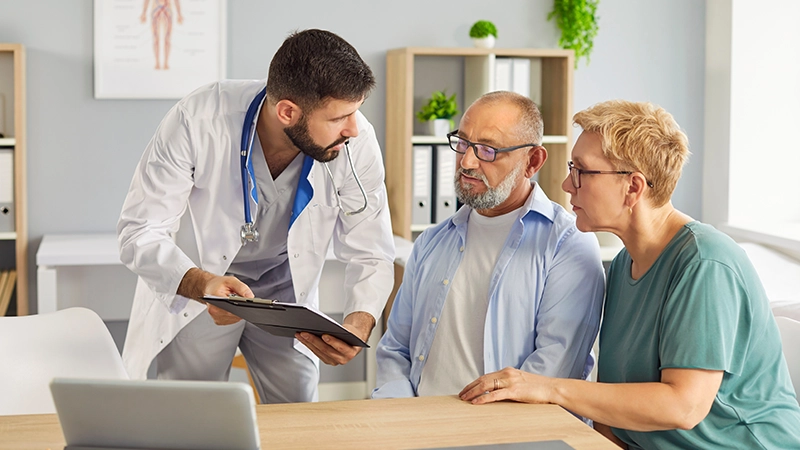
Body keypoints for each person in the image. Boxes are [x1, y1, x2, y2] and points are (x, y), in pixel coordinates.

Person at [460, 100, 800, 448]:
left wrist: (548, 388)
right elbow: (614, 410)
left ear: (633, 187)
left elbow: (684, 406)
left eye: (581, 171)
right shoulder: (624, 264)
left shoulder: (704, 263)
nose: (566, 184)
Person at [118, 29, 395, 404]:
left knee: (297, 412)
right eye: (340, 117)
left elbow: (372, 248)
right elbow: (139, 231)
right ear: (287, 112)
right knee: (189, 411)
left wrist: (358, 323)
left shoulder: (354, 142)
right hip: (204, 284)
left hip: (285, 292)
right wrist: (202, 284)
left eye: (355, 112)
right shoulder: (198, 119)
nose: (354, 129)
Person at [373, 91, 605, 399]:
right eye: (463, 143)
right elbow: (395, 349)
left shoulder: (568, 245)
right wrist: (402, 411)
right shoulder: (431, 241)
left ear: (532, 161)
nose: (467, 162)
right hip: (420, 421)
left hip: (507, 426)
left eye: (488, 150)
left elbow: (552, 373)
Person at [140, 0, 183, 70]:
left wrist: (179, 13)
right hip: (157, 8)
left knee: (167, 38)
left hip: (166, 8)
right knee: (156, 38)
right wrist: (143, 13)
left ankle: (165, 62)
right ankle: (157, 62)